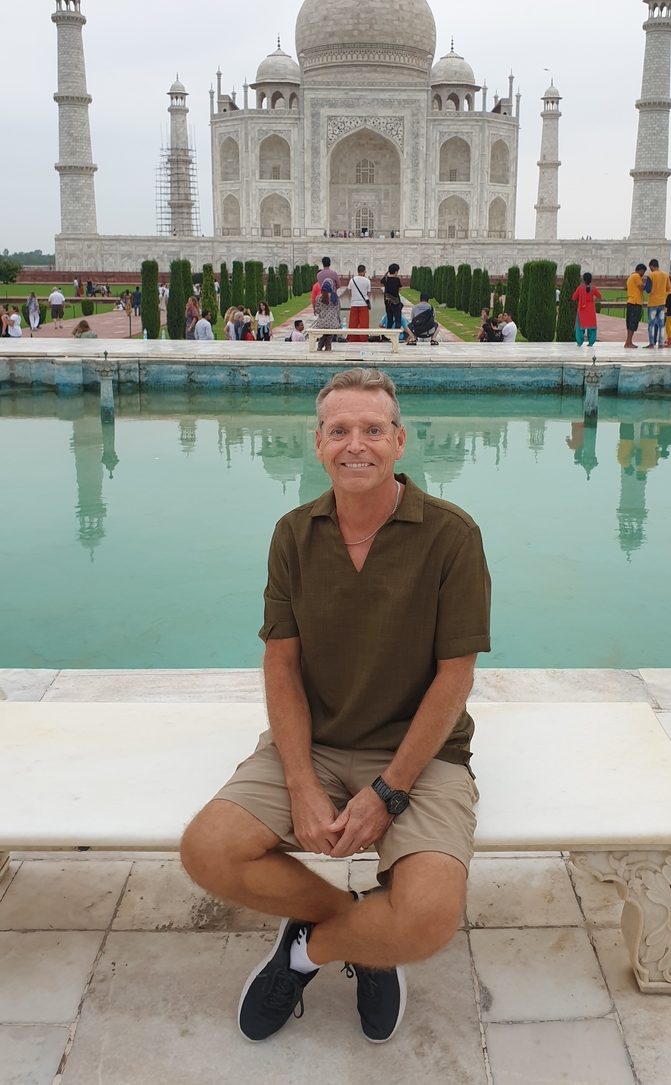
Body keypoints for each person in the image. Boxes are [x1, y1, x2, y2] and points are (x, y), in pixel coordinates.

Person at [180, 367, 491, 1045]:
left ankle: (314, 949)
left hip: (421, 751)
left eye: (373, 430)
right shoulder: (294, 533)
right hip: (315, 742)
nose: (357, 445)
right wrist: (297, 781)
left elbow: (454, 677)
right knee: (208, 852)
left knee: (428, 917)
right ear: (318, 444)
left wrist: (388, 791)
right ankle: (362, 935)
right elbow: (281, 663)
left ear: (399, 441)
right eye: (340, 430)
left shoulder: (451, 535)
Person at [644, 259, 671, 350]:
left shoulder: (651, 275)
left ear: (651, 266)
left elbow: (648, 289)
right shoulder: (665, 275)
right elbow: (669, 289)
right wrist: (663, 296)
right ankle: (661, 344)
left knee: (651, 324)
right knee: (661, 325)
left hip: (653, 302)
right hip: (662, 302)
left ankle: (652, 343)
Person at [572, 272, 602, 346]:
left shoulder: (580, 288)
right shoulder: (593, 288)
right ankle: (591, 342)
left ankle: (579, 342)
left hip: (582, 309)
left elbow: (573, 297)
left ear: (583, 279)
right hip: (591, 309)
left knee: (580, 326)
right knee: (591, 326)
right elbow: (599, 296)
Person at [313, 281, 341, 351]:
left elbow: (318, 311)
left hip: (321, 323)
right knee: (329, 331)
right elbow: (338, 309)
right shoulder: (335, 298)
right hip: (333, 323)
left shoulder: (318, 298)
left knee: (324, 330)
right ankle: (328, 346)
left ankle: (320, 346)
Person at [624, 263, 646, 349]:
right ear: (641, 270)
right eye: (643, 272)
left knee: (630, 323)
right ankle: (628, 342)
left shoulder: (631, 277)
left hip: (631, 301)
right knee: (632, 323)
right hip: (635, 302)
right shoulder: (636, 276)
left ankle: (628, 341)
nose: (643, 274)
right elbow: (641, 287)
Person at [347, 265, 371, 342]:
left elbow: (349, 291)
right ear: (364, 271)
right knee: (364, 323)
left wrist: (354, 298)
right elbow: (368, 293)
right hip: (363, 304)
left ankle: (352, 338)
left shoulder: (352, 280)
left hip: (354, 304)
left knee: (353, 323)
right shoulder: (367, 281)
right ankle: (363, 338)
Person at [380, 263, 403, 331]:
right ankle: (395, 336)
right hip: (395, 302)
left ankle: (388, 337)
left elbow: (381, 280)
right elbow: (400, 288)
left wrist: (387, 272)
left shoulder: (386, 279)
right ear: (396, 271)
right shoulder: (397, 280)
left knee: (389, 320)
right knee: (398, 320)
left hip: (387, 302)